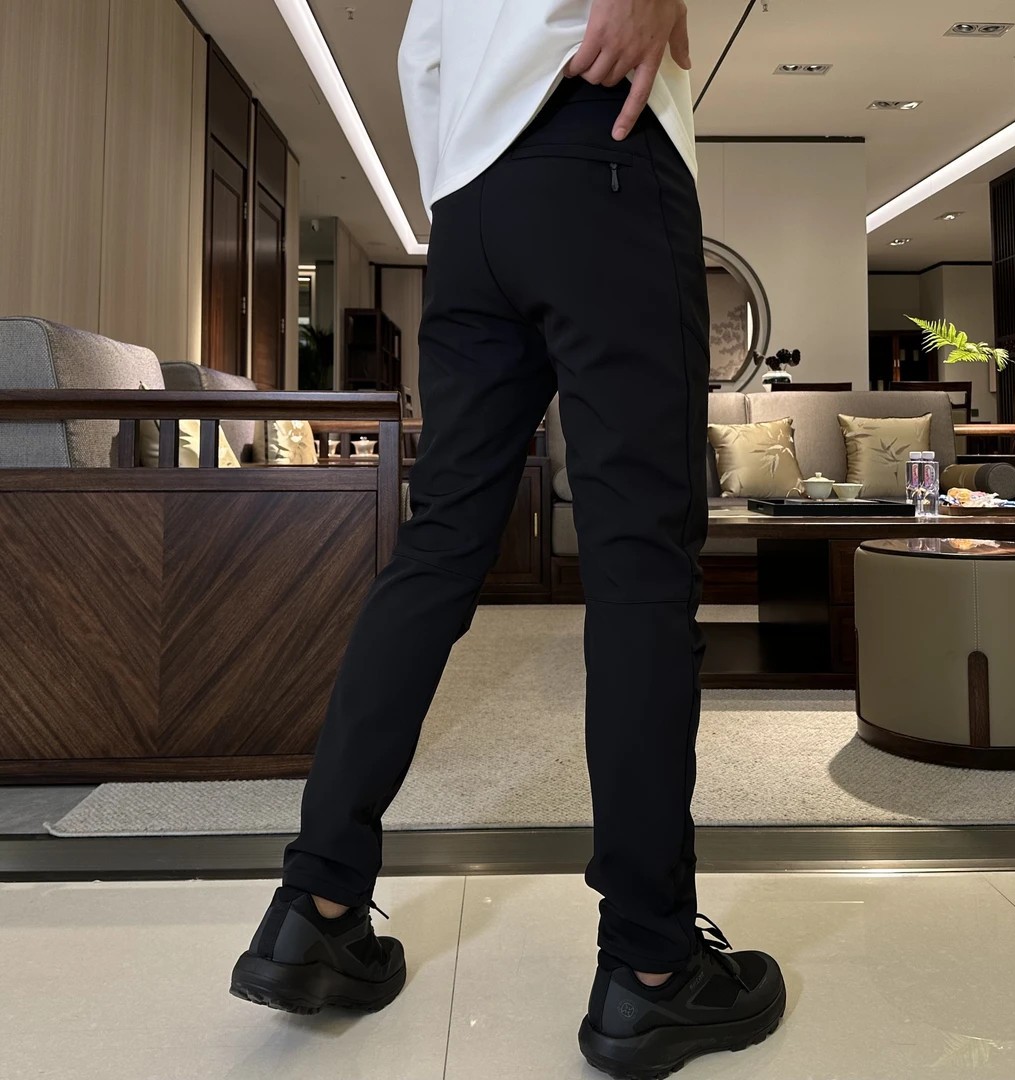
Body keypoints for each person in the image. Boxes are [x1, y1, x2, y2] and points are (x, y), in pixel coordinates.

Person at [230, 1, 786, 1075]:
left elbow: (424, 55)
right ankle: (653, 967)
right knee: (640, 558)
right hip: (601, 149)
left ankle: (315, 906)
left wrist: (467, 177)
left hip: (472, 207)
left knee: (438, 543)